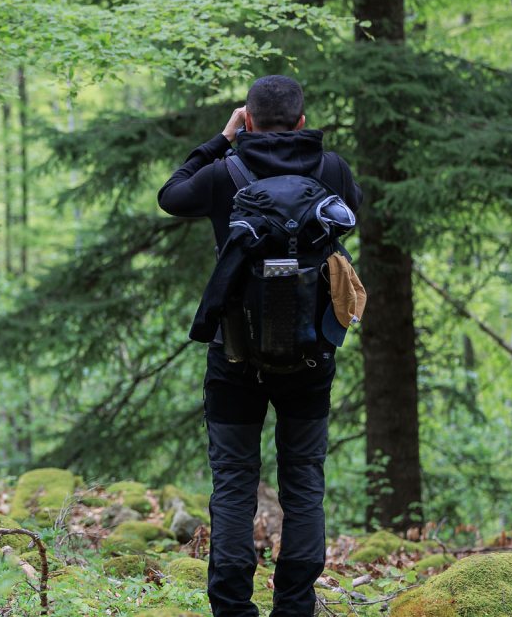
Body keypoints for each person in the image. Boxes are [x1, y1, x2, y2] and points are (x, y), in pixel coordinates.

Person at [156, 74, 362, 617]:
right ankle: (294, 607)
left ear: (246, 118)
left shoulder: (225, 172)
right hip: (311, 355)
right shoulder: (332, 169)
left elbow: (171, 195)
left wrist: (222, 141)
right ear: (301, 120)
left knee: (233, 483)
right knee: (303, 482)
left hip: (233, 355)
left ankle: (232, 608)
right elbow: (350, 218)